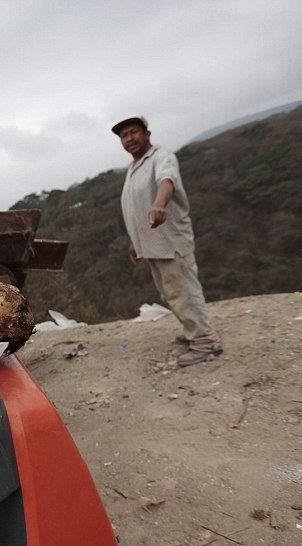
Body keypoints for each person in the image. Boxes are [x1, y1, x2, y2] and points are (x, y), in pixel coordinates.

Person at [112, 115, 222, 367]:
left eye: (133, 132)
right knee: (171, 293)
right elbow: (135, 209)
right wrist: (134, 242)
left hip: (169, 241)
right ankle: (194, 331)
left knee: (183, 291)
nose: (129, 139)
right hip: (151, 244)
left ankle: (205, 342)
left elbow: (166, 181)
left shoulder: (161, 157)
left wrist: (159, 205)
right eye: (123, 135)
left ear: (147, 134)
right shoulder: (134, 167)